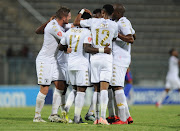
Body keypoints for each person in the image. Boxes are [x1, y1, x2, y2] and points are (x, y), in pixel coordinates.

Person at [74, 4, 118, 125]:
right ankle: (102, 117)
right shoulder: (114, 25)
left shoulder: (93, 21)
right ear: (111, 13)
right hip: (107, 58)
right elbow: (113, 38)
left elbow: (77, 22)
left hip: (95, 58)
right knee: (104, 89)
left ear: (103, 12)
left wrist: (82, 11)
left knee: (96, 89)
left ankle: (97, 117)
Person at [33, 7, 71, 122]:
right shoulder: (54, 26)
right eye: (69, 16)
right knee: (44, 88)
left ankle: (53, 115)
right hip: (44, 60)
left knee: (60, 85)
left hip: (53, 60)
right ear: (64, 18)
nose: (70, 18)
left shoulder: (58, 25)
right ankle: (37, 116)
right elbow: (65, 38)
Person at [107, 3, 135, 124]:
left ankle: (123, 119)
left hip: (119, 59)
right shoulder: (124, 22)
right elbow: (134, 34)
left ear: (117, 13)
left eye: (112, 11)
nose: (110, 13)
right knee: (114, 87)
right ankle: (127, 116)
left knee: (117, 87)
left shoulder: (122, 22)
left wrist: (116, 34)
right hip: (121, 58)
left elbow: (131, 38)